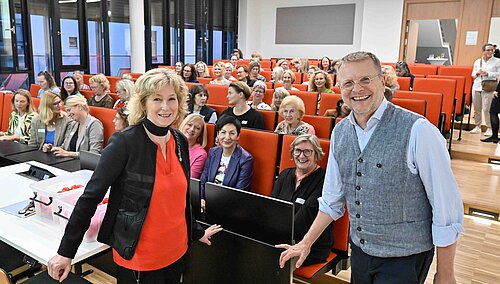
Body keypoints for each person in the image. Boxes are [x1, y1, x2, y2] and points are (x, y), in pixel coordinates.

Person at [277, 51, 464, 283]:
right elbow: (332, 200)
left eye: (365, 79)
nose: (357, 89)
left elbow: (447, 207)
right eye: (348, 83)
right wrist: (305, 243)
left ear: (382, 81)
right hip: (362, 251)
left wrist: (445, 273)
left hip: (405, 256)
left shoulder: (418, 130)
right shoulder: (340, 132)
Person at [47, 68, 222, 283]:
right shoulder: (124, 143)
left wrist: (195, 231)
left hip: (178, 250)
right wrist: (66, 251)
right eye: (157, 99)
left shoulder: (179, 140)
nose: (166, 107)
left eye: (171, 99)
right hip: (139, 255)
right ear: (143, 103)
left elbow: (181, 198)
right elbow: (90, 197)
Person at [272, 134, 332, 266]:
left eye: (307, 151)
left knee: (274, 259)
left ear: (316, 154)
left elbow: (304, 220)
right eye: (298, 150)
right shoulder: (285, 174)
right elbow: (272, 208)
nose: (302, 156)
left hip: (310, 243)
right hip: (282, 235)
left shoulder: (324, 180)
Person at [200, 115, 254, 201]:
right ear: (218, 134)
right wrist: (201, 199)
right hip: (208, 199)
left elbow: (239, 192)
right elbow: (203, 180)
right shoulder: (213, 152)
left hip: (228, 204)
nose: (227, 137)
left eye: (232, 133)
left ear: (238, 136)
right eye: (223, 132)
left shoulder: (246, 160)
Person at [470, 43, 500, 136]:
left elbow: (498, 74)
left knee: (487, 109)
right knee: (477, 108)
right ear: (483, 51)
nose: (490, 52)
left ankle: (489, 127)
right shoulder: (478, 61)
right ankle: (477, 126)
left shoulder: (497, 61)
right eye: (488, 50)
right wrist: (478, 73)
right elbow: (473, 75)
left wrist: (488, 74)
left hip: (489, 87)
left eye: (492, 50)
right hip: (477, 86)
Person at [179, 114, 208, 179]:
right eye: (189, 125)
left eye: (197, 128)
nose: (192, 129)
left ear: (200, 133)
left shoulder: (201, 155)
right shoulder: (172, 143)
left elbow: (190, 180)